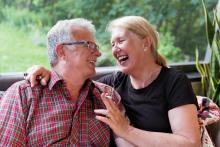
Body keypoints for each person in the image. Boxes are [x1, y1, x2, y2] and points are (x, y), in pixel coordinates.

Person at [25, 16, 201, 147]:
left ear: (146, 43)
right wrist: (45, 72)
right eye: (112, 44)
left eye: (120, 41)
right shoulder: (112, 84)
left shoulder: (174, 81)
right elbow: (74, 81)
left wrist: (127, 131)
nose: (114, 50)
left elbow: (191, 143)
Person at [0, 18, 131, 146]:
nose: (98, 53)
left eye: (96, 46)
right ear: (61, 51)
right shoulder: (22, 95)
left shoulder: (107, 96)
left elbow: (126, 140)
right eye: (89, 45)